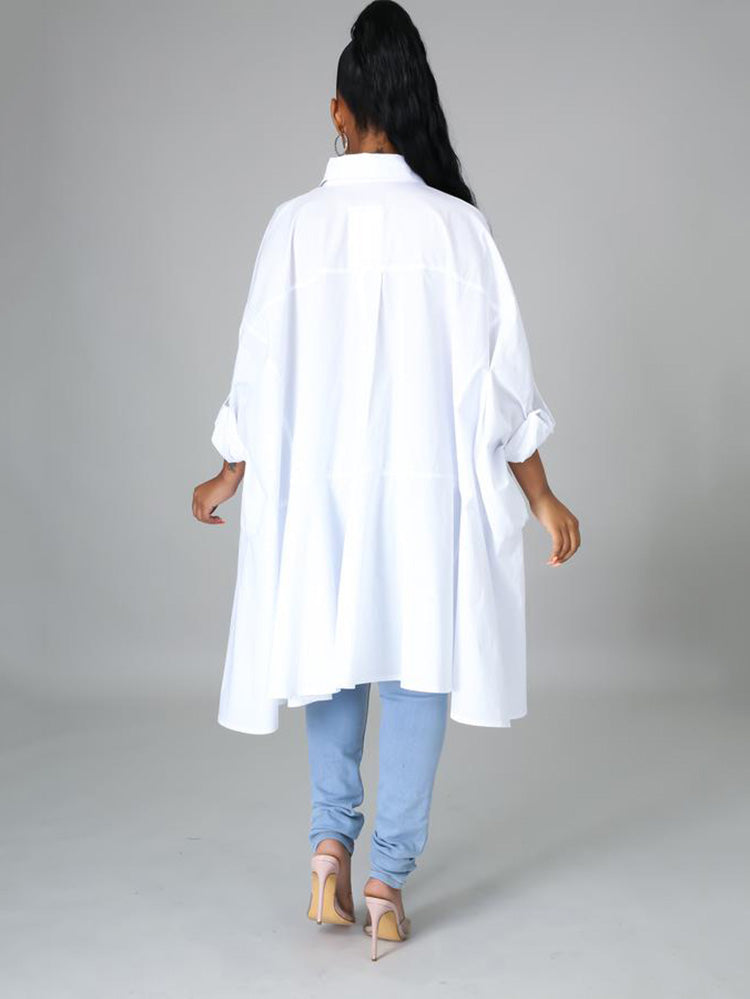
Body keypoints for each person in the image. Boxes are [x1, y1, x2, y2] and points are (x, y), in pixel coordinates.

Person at [192, 0, 580, 961]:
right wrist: (539, 493)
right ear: (413, 108)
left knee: (331, 653)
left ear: (338, 110)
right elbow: (502, 385)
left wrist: (230, 470)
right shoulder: (458, 230)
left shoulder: (293, 228)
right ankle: (387, 883)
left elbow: (258, 368)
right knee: (416, 666)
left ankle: (329, 847)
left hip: (324, 495)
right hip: (422, 498)